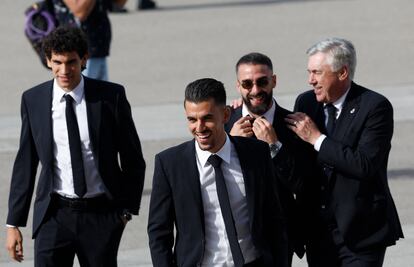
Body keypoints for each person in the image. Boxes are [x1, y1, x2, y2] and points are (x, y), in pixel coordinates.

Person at [5, 26, 146, 266]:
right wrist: (13, 224)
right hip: (54, 213)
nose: (64, 70)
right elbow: (26, 163)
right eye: (57, 62)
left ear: (84, 59)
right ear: (48, 61)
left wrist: (124, 212)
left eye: (71, 62)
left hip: (101, 215)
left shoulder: (110, 97)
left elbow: (133, 158)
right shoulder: (33, 100)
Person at [286, 37, 404, 267]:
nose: (310, 80)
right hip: (319, 234)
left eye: (317, 73)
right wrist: (246, 109)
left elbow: (364, 164)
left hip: (361, 234)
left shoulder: (375, 107)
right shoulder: (306, 102)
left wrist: (317, 139)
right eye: (309, 72)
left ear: (342, 73)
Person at [148, 78, 288, 267]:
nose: (199, 128)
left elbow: (274, 219)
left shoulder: (256, 154)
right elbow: (159, 233)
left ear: (225, 115)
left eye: (207, 118)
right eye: (192, 119)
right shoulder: (170, 164)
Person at [225, 52, 305, 265]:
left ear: (274, 81)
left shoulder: (295, 125)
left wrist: (274, 146)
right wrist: (229, 144)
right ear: (238, 86)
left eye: (262, 82)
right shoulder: (223, 124)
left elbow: (301, 184)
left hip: (277, 238)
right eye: (247, 84)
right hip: (231, 235)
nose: (255, 90)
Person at [51, 0, 127, 80]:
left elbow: (118, 4)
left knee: (101, 91)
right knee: (83, 90)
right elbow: (80, 12)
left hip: (98, 48)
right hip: (77, 50)